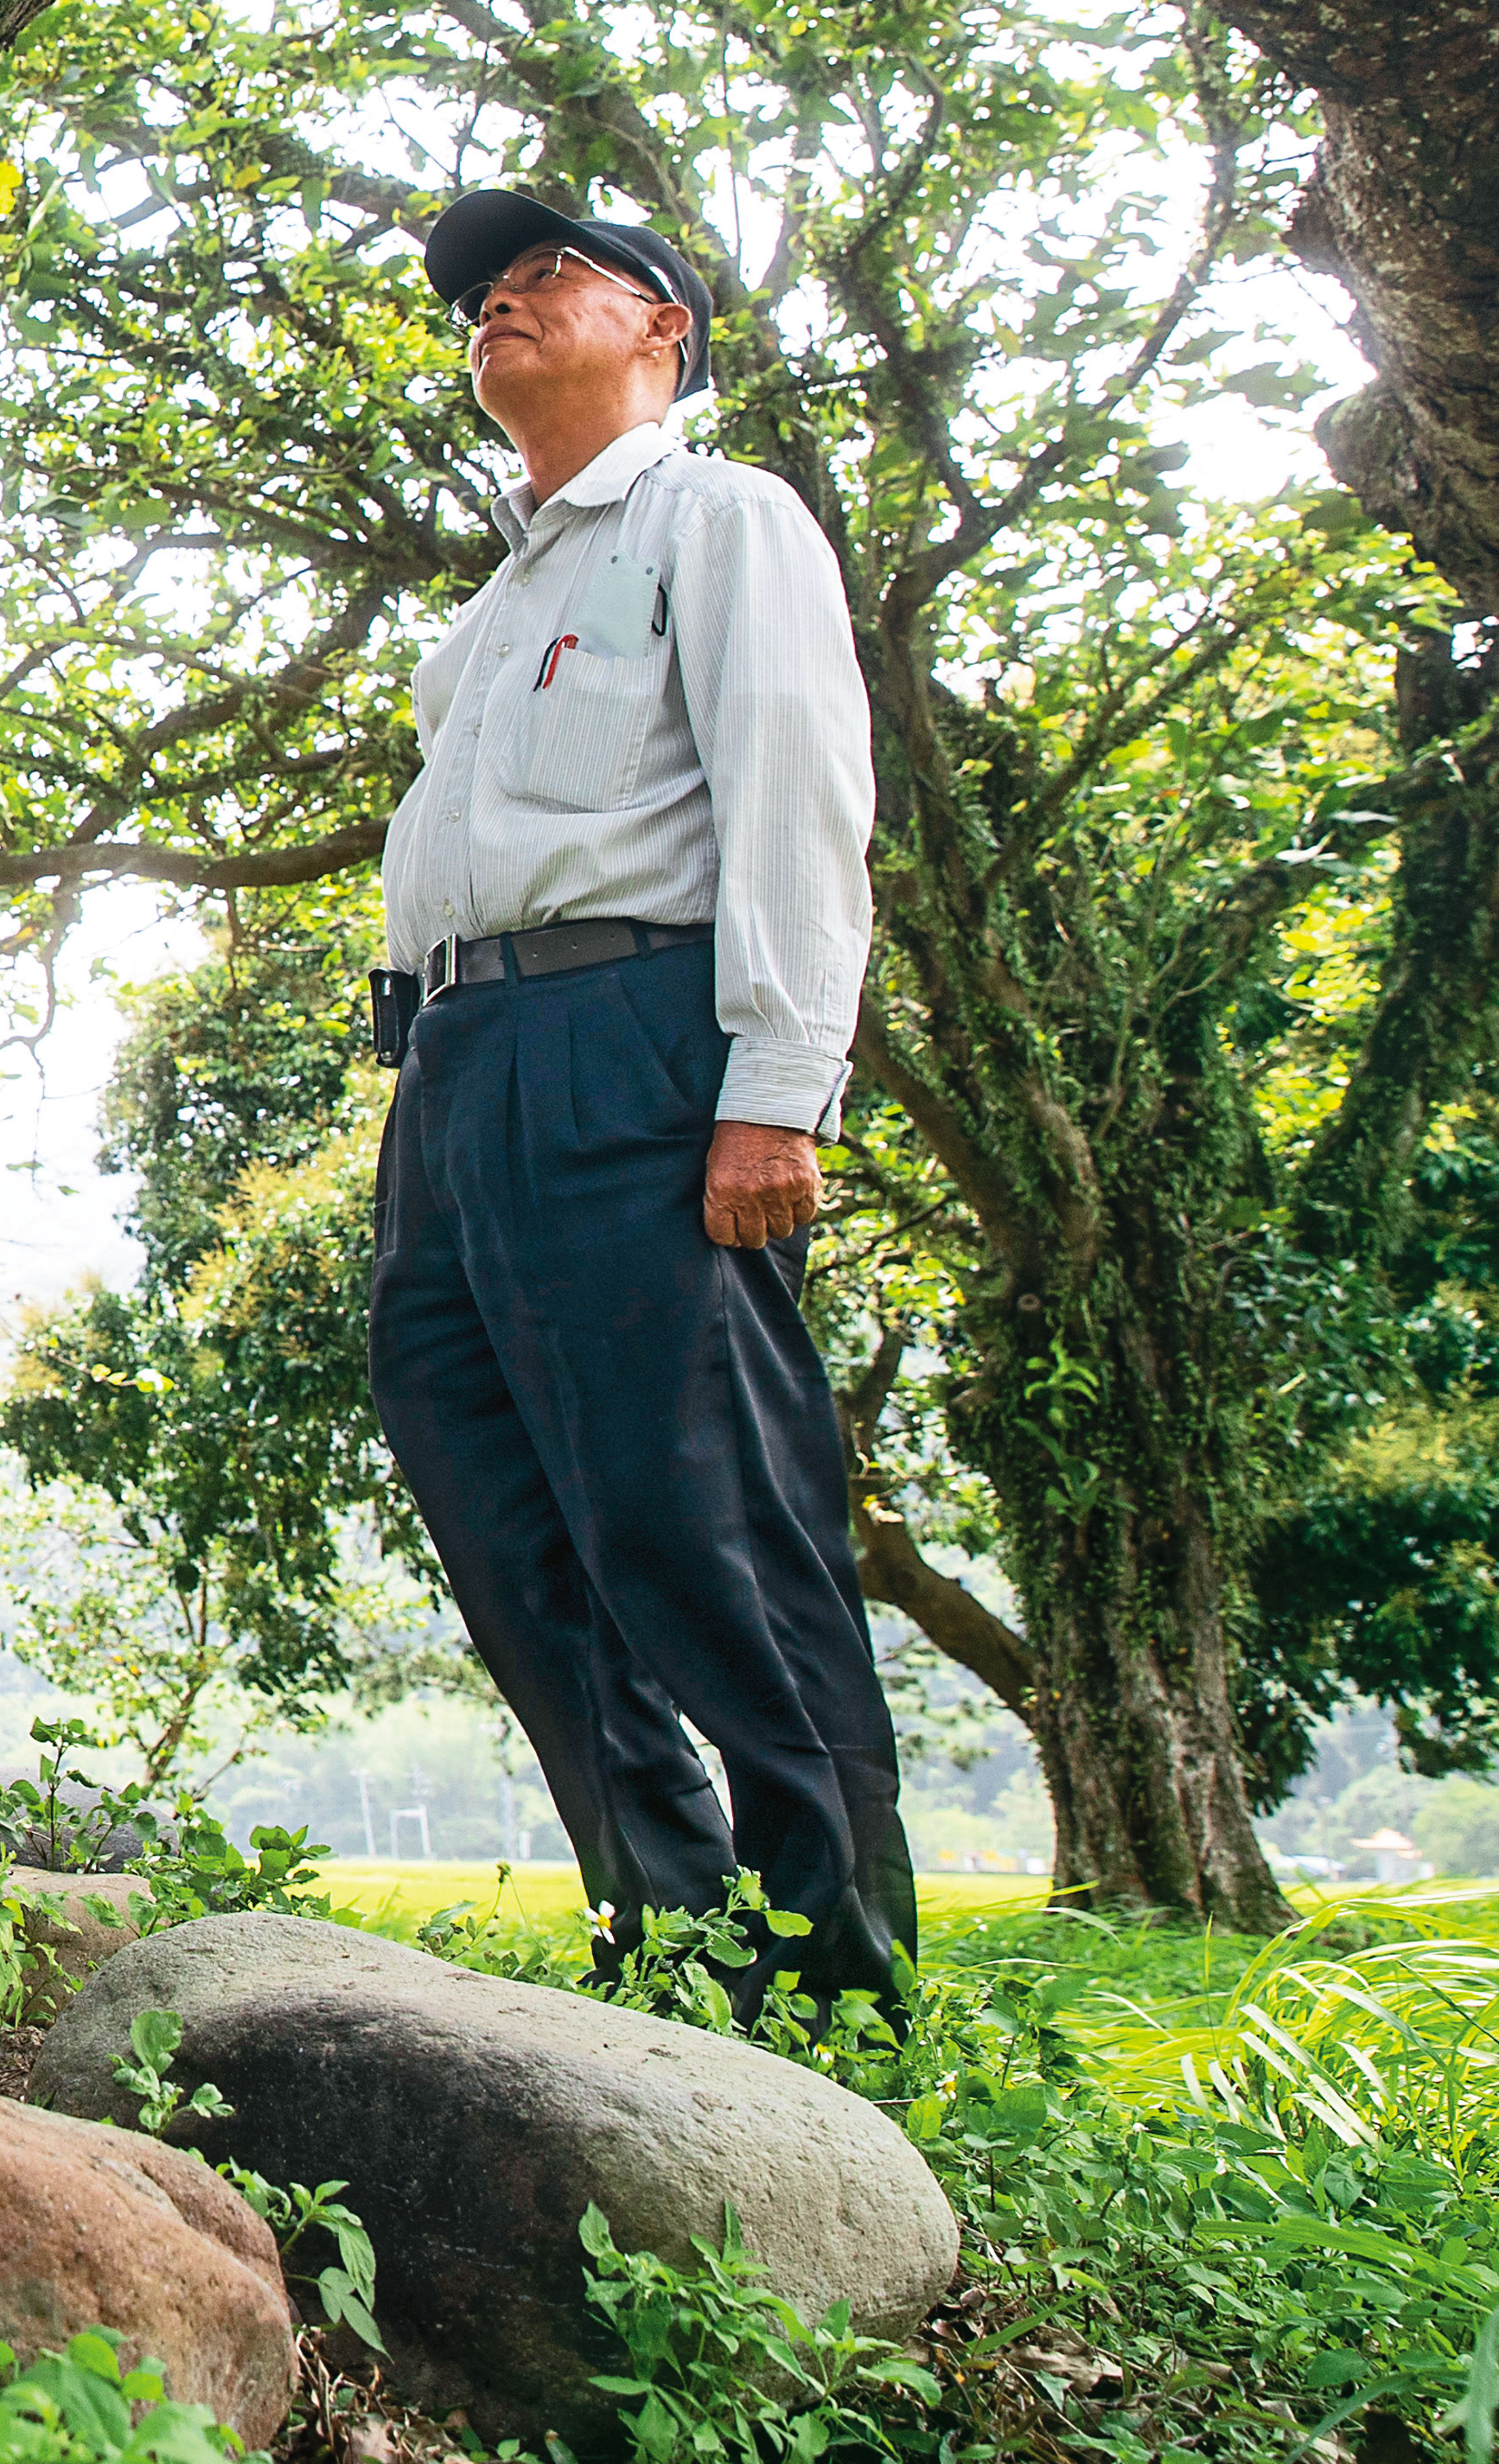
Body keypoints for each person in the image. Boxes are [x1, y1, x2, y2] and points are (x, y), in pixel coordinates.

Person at [367, 188, 915, 2018]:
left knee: (709, 1511)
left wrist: (779, 1085)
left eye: (545, 278)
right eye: (481, 292)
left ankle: (835, 1979)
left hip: (632, 1040)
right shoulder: (496, 603)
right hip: (452, 1071)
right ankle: (669, 1936)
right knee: (504, 1504)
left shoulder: (719, 518)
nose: (499, 303)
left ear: (663, 330)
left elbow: (794, 787)